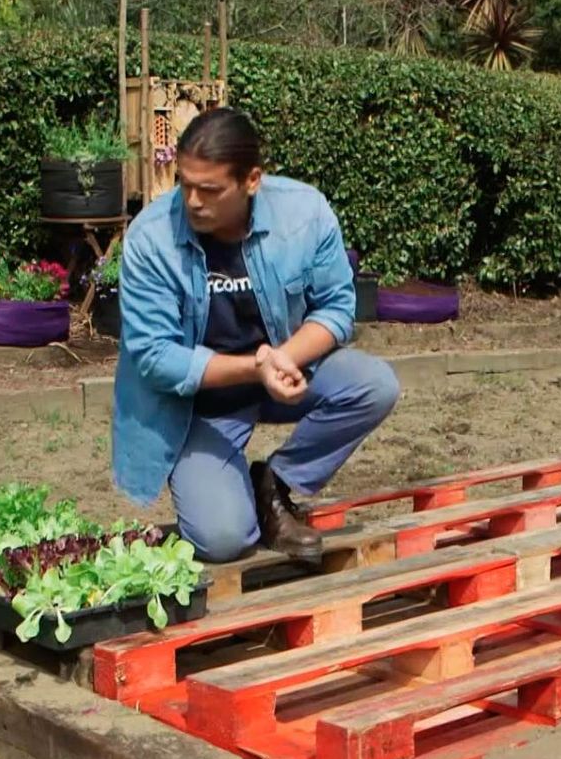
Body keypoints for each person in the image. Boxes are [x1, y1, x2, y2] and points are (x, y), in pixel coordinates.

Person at [111, 107, 400, 565]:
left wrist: (282, 360)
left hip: (281, 379)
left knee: (373, 384)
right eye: (184, 184)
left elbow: (338, 306)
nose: (192, 201)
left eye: (209, 189)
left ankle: (276, 484)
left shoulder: (303, 214)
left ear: (251, 180)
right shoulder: (152, 239)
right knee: (224, 541)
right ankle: (231, 494)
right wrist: (256, 366)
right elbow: (153, 356)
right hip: (196, 409)